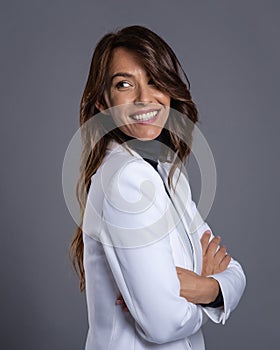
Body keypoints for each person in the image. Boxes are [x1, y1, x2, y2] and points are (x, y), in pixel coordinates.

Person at [70, 25, 246, 350]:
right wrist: (208, 291)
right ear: (102, 103)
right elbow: (163, 323)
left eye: (154, 81)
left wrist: (203, 288)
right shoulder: (126, 181)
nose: (144, 98)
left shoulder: (167, 174)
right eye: (124, 84)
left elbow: (234, 272)